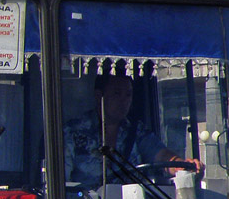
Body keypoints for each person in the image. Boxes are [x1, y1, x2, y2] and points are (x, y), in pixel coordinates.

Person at [63, 72, 204, 190]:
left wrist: (182, 166)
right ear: (99, 96)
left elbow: (162, 157)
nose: (123, 101)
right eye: (117, 94)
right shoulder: (72, 132)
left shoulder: (137, 131)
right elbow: (63, 184)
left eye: (128, 95)